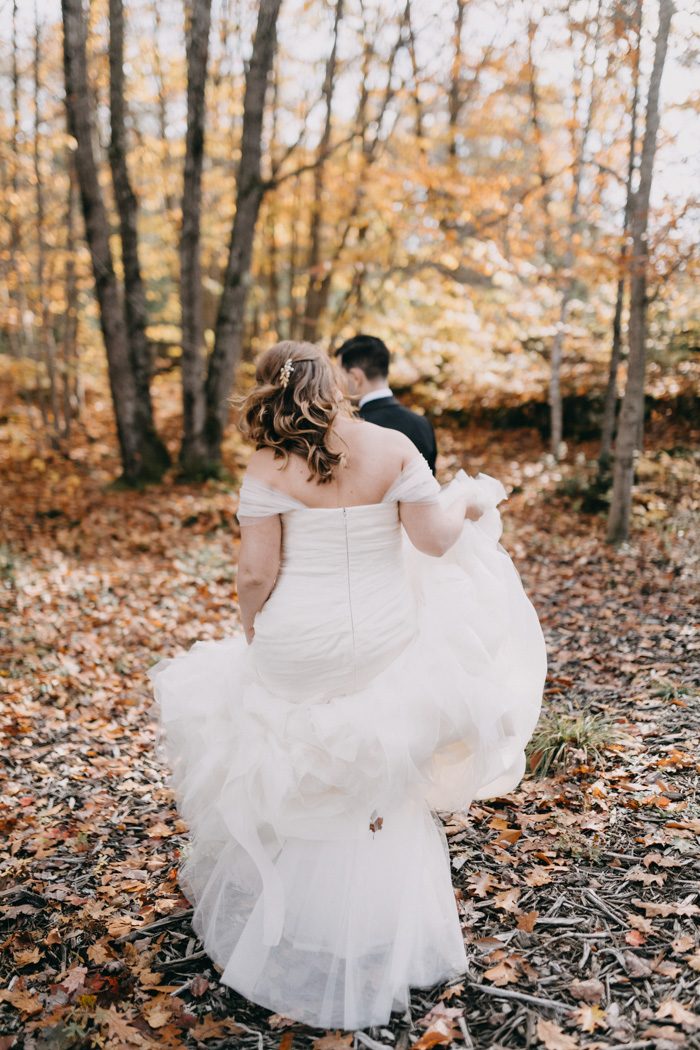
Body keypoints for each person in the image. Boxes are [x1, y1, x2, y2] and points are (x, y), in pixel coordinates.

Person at [149, 341, 546, 1031]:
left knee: (296, 764)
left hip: (298, 643)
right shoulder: (392, 446)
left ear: (269, 391)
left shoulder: (269, 463)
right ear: (336, 383)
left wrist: (254, 632)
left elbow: (253, 573)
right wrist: (470, 504)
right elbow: (433, 541)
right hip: (384, 641)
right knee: (379, 773)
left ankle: (294, 926)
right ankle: (380, 930)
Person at [336, 333, 438, 473]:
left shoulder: (352, 424)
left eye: (339, 375)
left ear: (355, 377)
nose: (337, 383)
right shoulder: (423, 424)